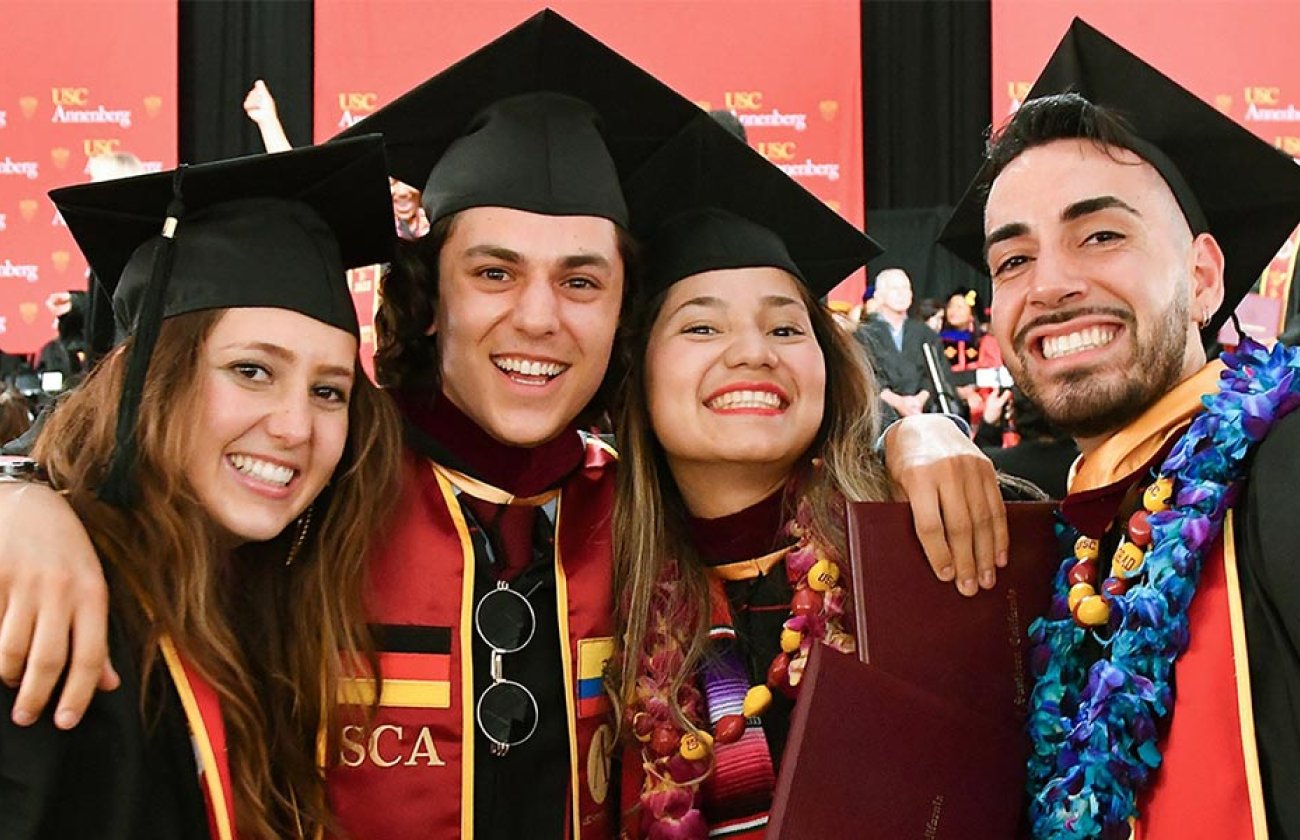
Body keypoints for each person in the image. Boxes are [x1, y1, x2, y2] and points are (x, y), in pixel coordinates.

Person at [0, 12, 1006, 840]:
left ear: (621, 314)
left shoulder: (642, 521)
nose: (538, 318)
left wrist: (906, 439)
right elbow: (151, 512)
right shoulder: (320, 486)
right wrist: (30, 501)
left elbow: (780, 500)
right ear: (427, 296)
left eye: (581, 279)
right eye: (493, 272)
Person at [940, 19, 1300, 838]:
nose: (1051, 285)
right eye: (1012, 260)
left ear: (1204, 276)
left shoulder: (1286, 469)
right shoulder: (1068, 541)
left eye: (1100, 234)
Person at [0, 137, 403, 838]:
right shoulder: (53, 607)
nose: (294, 426)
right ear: (153, 382)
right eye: (251, 370)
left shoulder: (273, 597)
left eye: (329, 391)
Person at [610, 114, 895, 838]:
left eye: (785, 328)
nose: (753, 353)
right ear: (636, 371)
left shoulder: (913, 550)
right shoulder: (588, 587)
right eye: (701, 328)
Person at [856, 267, 963, 422]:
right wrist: (899, 403)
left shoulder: (926, 333)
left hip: (925, 412)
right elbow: (866, 379)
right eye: (894, 288)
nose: (901, 293)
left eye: (906, 287)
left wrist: (920, 400)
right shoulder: (864, 335)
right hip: (882, 416)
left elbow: (939, 374)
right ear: (878, 296)